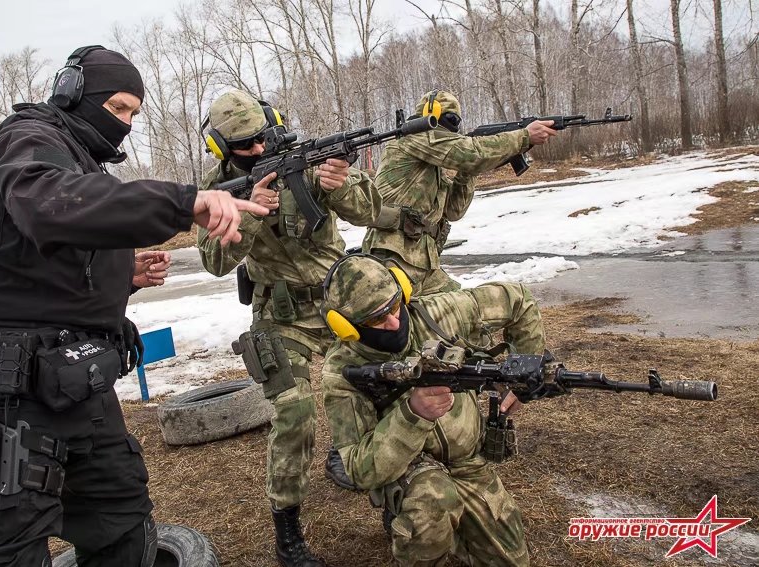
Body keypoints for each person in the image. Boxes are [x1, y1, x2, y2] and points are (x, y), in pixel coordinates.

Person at [0, 46, 267, 567]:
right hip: (7, 387)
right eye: (117, 109)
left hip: (74, 382)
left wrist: (121, 277)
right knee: (11, 547)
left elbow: (52, 263)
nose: (127, 125)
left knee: (122, 524)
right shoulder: (28, 140)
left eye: (134, 113)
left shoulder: (84, 163)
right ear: (71, 93)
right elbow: (51, 207)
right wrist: (182, 202)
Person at [197, 90, 382, 567]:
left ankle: (374, 471)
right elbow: (215, 261)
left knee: (382, 385)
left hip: (339, 301)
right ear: (221, 149)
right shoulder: (217, 191)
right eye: (244, 146)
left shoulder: (309, 162)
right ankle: (288, 531)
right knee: (294, 413)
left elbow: (369, 211)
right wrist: (247, 212)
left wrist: (339, 185)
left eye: (263, 137)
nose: (260, 151)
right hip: (279, 316)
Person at [320, 254, 547, 566]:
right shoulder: (341, 372)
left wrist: (524, 377)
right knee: (432, 502)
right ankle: (416, 523)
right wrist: (414, 414)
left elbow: (518, 299)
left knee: (513, 560)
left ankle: (449, 532)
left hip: (468, 462)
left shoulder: (441, 312)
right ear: (346, 326)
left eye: (394, 305)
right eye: (376, 319)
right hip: (408, 468)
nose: (394, 322)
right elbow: (360, 469)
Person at [363, 89, 558, 296]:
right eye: (450, 119)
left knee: (467, 319)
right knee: (403, 325)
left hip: (421, 259)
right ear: (431, 116)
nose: (453, 127)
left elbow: (454, 210)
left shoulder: (429, 164)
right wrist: (524, 136)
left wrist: (468, 172)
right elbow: (471, 152)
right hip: (394, 254)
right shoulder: (414, 139)